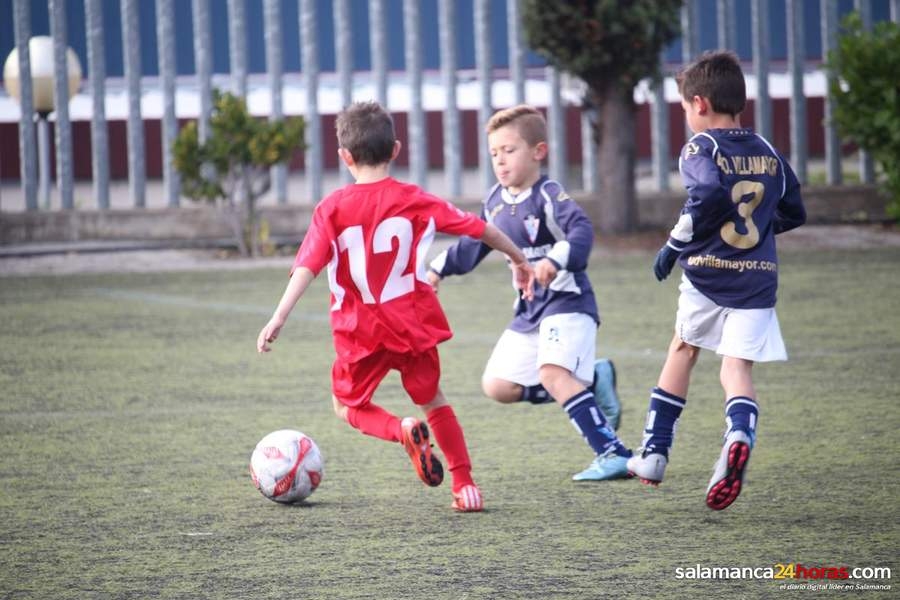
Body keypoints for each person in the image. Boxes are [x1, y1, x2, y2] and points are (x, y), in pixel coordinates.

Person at [257, 101, 535, 513]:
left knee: (346, 406)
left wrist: (279, 316)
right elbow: (483, 230)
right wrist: (519, 260)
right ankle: (465, 485)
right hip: (411, 323)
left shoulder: (331, 208)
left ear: (344, 157)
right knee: (434, 400)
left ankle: (400, 430)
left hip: (359, 331)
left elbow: (307, 266)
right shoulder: (414, 199)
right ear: (396, 149)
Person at [626, 51, 806, 510]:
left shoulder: (701, 148)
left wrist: (674, 244)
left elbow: (704, 192)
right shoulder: (766, 149)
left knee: (682, 350)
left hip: (708, 275)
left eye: (685, 107)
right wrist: (762, 230)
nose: (686, 116)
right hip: (758, 281)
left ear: (700, 103)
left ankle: (654, 453)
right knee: (736, 368)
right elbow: (795, 209)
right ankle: (738, 434)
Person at [426, 104, 630, 482]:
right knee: (498, 386)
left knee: (552, 374)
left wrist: (556, 259)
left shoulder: (549, 194)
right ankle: (593, 382)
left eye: (509, 150)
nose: (500, 161)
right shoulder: (495, 202)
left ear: (538, 151)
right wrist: (438, 268)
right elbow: (475, 244)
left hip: (568, 303)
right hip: (529, 311)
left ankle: (613, 452)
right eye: (494, 154)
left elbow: (582, 232)